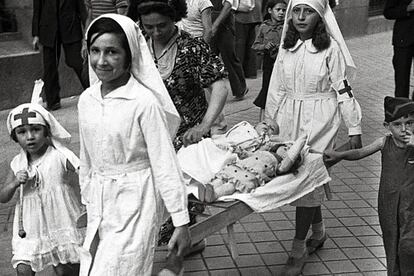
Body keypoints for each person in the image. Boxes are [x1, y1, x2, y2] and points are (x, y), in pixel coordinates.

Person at [78, 14, 190, 275]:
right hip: (100, 201)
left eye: (112, 52)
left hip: (136, 201)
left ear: (129, 56)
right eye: (95, 51)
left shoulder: (143, 102)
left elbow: (164, 162)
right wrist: (87, 196)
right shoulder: (87, 100)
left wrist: (181, 221)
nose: (101, 61)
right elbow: (87, 157)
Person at [264, 0, 363, 275]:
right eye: (296, 10)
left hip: (321, 119)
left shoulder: (330, 49)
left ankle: (298, 250)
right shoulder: (287, 48)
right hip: (290, 118)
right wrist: (270, 119)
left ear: (320, 16)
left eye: (308, 11)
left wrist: (354, 126)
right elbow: (277, 86)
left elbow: (342, 89)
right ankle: (318, 233)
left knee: (308, 177)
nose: (300, 17)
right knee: (305, 179)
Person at [324, 96, 414, 275]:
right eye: (397, 124)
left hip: (411, 205)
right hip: (388, 204)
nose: (404, 129)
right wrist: (340, 155)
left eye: (410, 123)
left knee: (409, 245)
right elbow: (359, 152)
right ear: (387, 126)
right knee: (391, 241)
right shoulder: (384, 142)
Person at [1, 103, 84, 276]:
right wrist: (15, 182)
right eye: (22, 132)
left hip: (61, 219)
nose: (30, 137)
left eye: (36, 129)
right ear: (15, 137)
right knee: (23, 267)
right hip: (30, 225)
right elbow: (3, 196)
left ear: (47, 131)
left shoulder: (59, 156)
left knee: (65, 270)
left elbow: (84, 173)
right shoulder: (17, 163)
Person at [134, 0, 229, 150]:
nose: (156, 32)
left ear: (174, 18)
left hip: (187, 139)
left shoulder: (192, 47)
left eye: (162, 25)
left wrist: (204, 125)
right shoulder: (139, 48)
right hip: (151, 138)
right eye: (149, 27)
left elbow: (220, 87)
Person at [32, 0, 89, 111]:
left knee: (77, 62)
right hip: (48, 30)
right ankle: (52, 101)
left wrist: (86, 33)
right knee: (49, 67)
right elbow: (37, 12)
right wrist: (36, 35)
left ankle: (92, 93)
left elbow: (82, 9)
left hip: (71, 28)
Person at [252, 0, 287, 120]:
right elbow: (255, 46)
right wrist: (264, 47)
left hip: (284, 63)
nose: (281, 13)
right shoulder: (264, 27)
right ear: (270, 11)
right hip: (269, 63)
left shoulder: (288, 27)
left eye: (284, 10)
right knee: (267, 89)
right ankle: (263, 120)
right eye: (278, 10)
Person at [81, 0, 129, 85]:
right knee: (88, 76)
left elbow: (122, 16)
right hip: (95, 36)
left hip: (112, 37)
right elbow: (89, 16)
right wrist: (86, 40)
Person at [211, 0, 249, 99]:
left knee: (229, 56)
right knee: (209, 57)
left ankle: (240, 89)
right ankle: (209, 91)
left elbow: (228, 6)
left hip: (225, 23)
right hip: (208, 19)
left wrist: (215, 25)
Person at [383, 0, 414, 99]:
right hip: (403, 40)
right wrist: (407, 9)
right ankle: (402, 111)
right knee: (402, 81)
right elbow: (388, 12)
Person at [235, 0, 263, 78]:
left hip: (241, 15)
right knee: (251, 45)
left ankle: (239, 73)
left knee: (239, 46)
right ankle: (250, 72)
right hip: (255, 14)